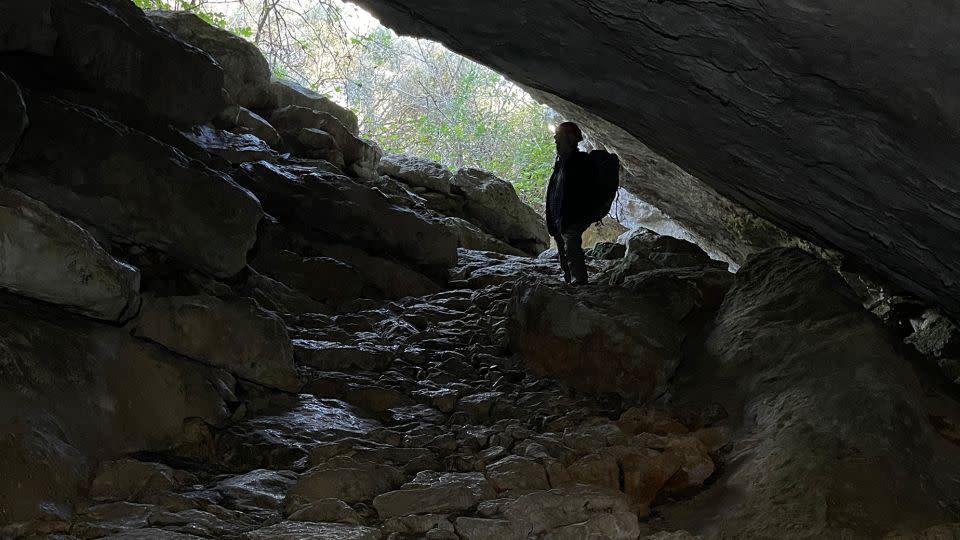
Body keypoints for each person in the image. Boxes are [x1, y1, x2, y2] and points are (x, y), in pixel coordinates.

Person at [545, 121, 594, 285]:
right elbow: (554, 191)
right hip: (561, 216)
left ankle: (579, 281)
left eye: (559, 136)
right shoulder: (561, 163)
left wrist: (576, 216)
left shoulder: (580, 162)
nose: (555, 139)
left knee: (571, 244)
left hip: (572, 216)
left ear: (571, 138)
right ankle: (569, 279)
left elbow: (580, 192)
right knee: (562, 246)